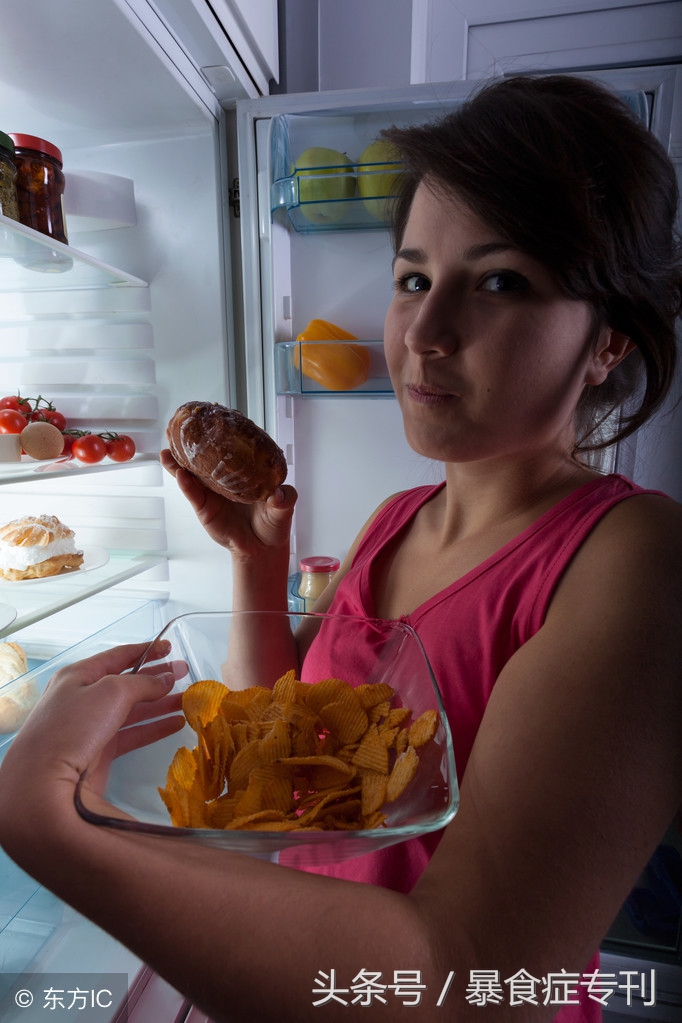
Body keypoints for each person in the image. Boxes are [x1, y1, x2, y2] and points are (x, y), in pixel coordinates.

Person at [0, 74, 680, 1023]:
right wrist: (254, 566)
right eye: (413, 277)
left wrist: (52, 821)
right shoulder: (394, 517)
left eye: (500, 281)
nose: (425, 333)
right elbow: (281, 744)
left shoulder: (633, 557)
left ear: (606, 341)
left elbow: (469, 976)